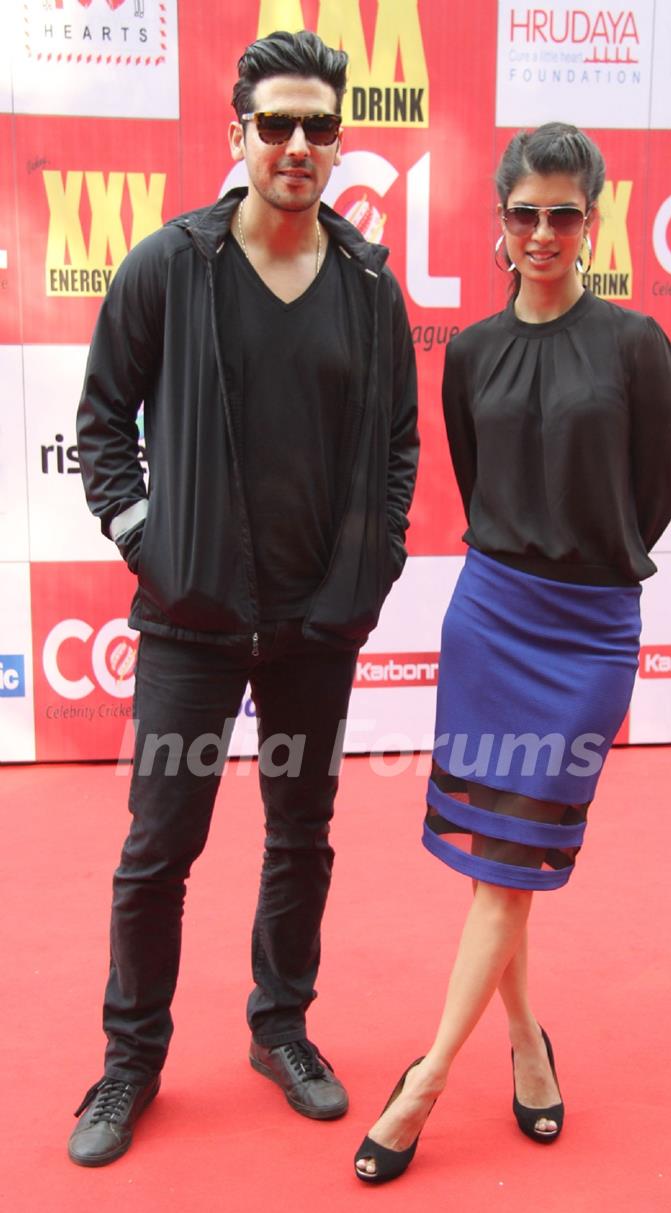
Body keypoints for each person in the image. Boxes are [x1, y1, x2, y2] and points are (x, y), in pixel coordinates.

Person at [69, 29, 418, 1167]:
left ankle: (282, 1028)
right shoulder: (171, 264)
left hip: (318, 623)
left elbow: (400, 444)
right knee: (159, 846)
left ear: (339, 141)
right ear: (239, 135)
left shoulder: (369, 284)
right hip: (194, 617)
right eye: (277, 123)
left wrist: (370, 570)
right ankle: (130, 1062)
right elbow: (101, 427)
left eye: (320, 125)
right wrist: (149, 544)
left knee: (301, 835)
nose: (299, 145)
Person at [354, 122, 671, 1183]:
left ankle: (424, 1084)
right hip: (490, 617)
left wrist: (587, 559)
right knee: (505, 869)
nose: (544, 232)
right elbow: (477, 475)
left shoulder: (637, 345)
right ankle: (528, 1048)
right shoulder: (475, 352)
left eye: (565, 213)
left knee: (512, 866)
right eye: (525, 213)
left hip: (586, 633)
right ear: (501, 223)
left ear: (595, 219)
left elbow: (657, 495)